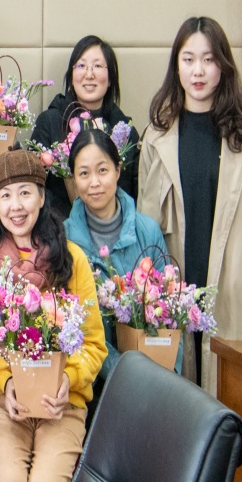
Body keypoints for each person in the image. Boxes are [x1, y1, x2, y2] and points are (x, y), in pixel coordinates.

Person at [0, 150, 106, 482]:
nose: (16, 206)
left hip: (62, 405)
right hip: (8, 404)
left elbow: (94, 343)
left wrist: (69, 379)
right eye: (6, 196)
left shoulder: (73, 259)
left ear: (42, 196)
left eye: (25, 193)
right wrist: (5, 383)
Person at [140, 16, 242, 392]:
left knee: (236, 400)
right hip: (175, 292)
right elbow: (145, 227)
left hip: (236, 291)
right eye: (188, 59)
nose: (198, 71)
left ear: (223, 66)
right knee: (181, 402)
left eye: (209, 59)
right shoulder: (157, 135)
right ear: (176, 66)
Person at [63, 128, 171, 384]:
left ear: (118, 171)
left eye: (102, 170)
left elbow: (170, 311)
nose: (94, 182)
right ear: (74, 179)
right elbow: (72, 326)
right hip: (89, 379)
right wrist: (122, 373)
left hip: (152, 377)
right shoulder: (63, 240)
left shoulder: (147, 231)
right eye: (84, 173)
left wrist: (168, 375)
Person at [30, 35, 140, 218]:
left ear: (110, 78)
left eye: (97, 66)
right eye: (81, 66)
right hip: (58, 230)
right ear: (71, 76)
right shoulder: (49, 122)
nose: (89, 75)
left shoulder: (125, 132)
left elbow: (134, 193)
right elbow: (33, 186)